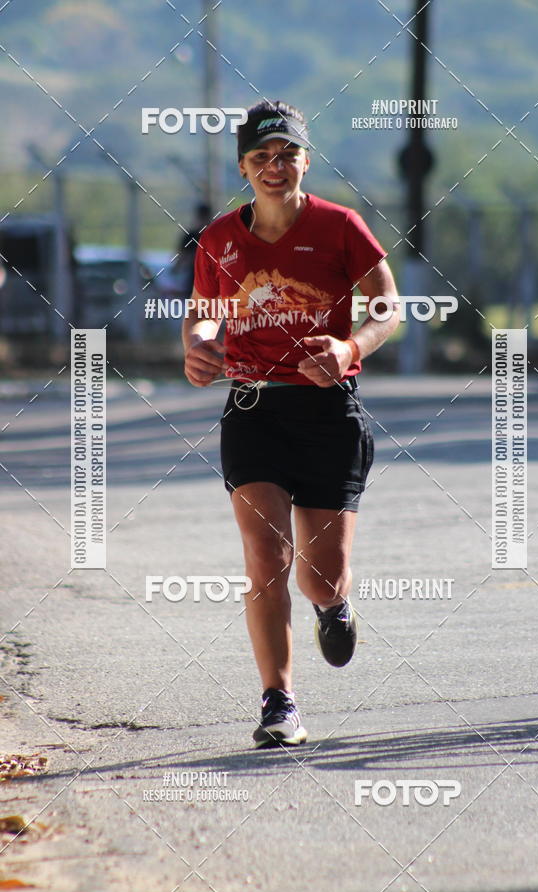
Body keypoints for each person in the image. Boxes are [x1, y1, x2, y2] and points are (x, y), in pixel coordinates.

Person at [183, 99, 400, 748]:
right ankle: (279, 701)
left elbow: (387, 305)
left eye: (287, 155)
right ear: (243, 166)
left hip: (328, 413)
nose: (275, 167)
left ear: (306, 159)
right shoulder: (221, 239)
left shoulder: (341, 227)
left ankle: (333, 606)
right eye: (260, 157)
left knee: (320, 573)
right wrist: (199, 344)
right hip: (253, 410)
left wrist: (350, 348)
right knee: (265, 558)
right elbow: (204, 314)